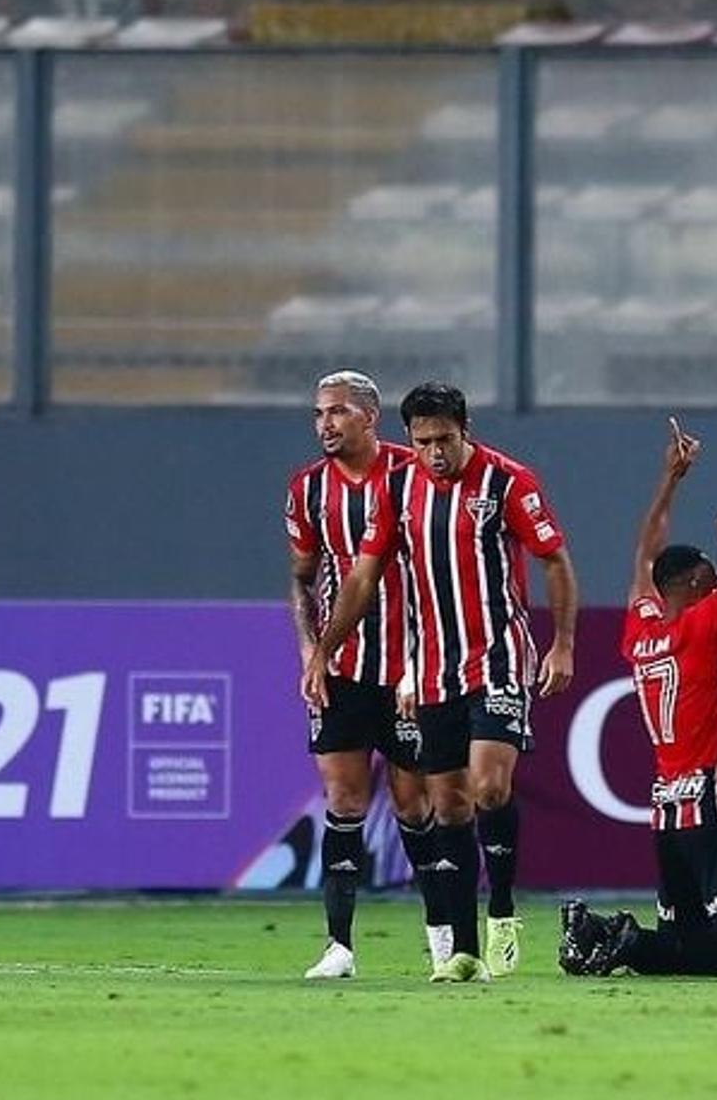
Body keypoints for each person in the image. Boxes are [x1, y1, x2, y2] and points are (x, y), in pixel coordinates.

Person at [303, 381, 578, 983]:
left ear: (465, 431)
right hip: (431, 669)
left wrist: (561, 643)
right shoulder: (398, 489)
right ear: (409, 439)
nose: (434, 454)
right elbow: (362, 577)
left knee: (489, 786)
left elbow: (554, 559)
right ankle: (462, 953)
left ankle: (502, 910)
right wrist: (325, 650)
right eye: (423, 442)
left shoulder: (508, 482)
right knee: (448, 805)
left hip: (498, 657)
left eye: (445, 440)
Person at [559, 403, 717, 978]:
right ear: (699, 585)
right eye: (714, 579)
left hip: (670, 811)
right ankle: (628, 944)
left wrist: (670, 480)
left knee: (689, 945)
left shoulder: (640, 627)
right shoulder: (702, 628)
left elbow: (645, 555)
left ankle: (607, 935)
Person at [284, 370, 438, 981]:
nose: (325, 423)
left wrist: (427, 660)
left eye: (338, 412)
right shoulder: (307, 490)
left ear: (370, 418)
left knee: (414, 804)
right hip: (340, 669)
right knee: (343, 801)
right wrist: (307, 650)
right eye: (319, 412)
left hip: (409, 667)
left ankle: (443, 938)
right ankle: (339, 947)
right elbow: (301, 579)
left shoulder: (413, 473)